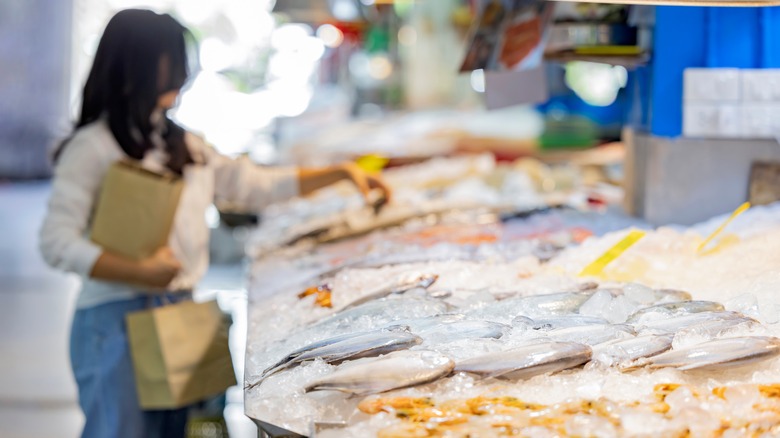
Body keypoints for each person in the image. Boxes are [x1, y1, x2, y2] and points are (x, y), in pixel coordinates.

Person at [39, 9, 391, 438]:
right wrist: (139, 272)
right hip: (115, 322)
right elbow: (56, 243)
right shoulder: (92, 148)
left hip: (181, 312)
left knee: (187, 430)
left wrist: (340, 173)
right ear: (133, 65)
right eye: (168, 61)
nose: (180, 74)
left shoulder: (182, 142)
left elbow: (253, 184)